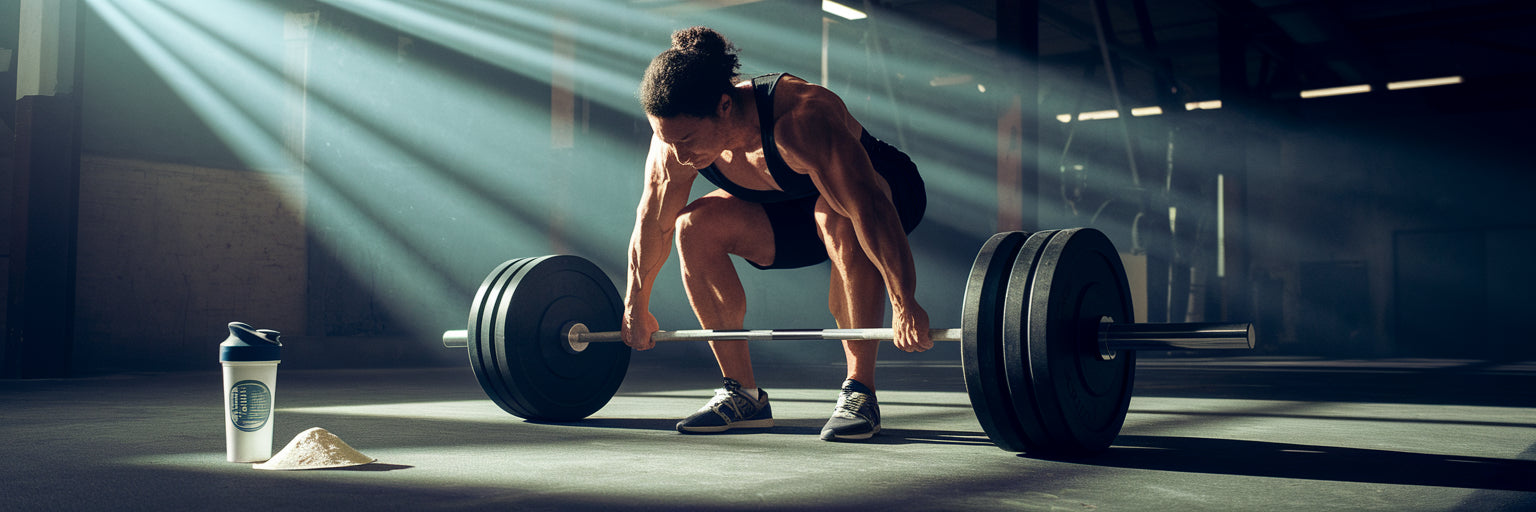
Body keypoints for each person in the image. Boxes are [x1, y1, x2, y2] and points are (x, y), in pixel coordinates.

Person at [622, 26, 931, 442]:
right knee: (692, 226)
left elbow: (869, 210)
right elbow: (652, 223)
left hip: (882, 192)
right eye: (666, 138)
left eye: (687, 139)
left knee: (834, 215)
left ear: (725, 106)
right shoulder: (675, 145)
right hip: (786, 205)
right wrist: (636, 304)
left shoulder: (800, 118)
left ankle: (860, 391)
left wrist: (904, 300)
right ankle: (742, 395)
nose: (679, 154)